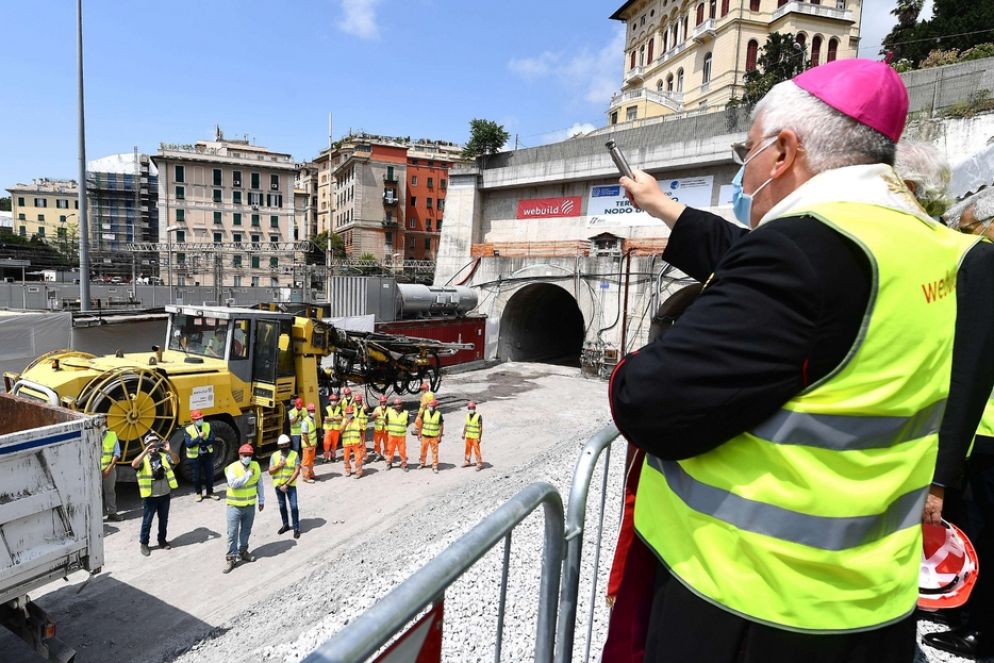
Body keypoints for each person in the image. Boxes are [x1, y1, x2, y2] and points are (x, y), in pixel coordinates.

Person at [606, 59, 983, 663]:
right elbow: (781, 280)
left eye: (747, 151)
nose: (743, 168)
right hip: (872, 598)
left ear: (782, 152)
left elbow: (649, 402)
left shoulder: (804, 251)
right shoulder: (940, 248)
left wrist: (638, 362)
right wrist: (664, 207)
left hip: (751, 601)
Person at [919, 188, 994, 659]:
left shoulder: (985, 271)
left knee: (985, 532)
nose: (964, 239)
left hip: (988, 431)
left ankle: (981, 629)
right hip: (978, 432)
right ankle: (968, 616)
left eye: (969, 229)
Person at [132, 433, 179, 557]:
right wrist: (145, 452)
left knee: (163, 520)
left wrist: (169, 450)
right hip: (150, 496)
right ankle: (144, 543)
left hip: (164, 495)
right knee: (147, 521)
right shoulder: (144, 459)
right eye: (150, 444)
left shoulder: (164, 456)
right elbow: (134, 464)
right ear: (146, 446)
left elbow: (176, 460)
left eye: (155, 444)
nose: (153, 447)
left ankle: (162, 540)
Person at [224, 444, 265, 574]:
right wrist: (247, 475)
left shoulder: (256, 466)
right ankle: (231, 557)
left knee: (246, 531)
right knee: (232, 533)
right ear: (239, 455)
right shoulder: (232, 468)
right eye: (244, 455)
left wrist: (261, 500)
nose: (247, 457)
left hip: (250, 506)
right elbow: (233, 484)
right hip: (234, 506)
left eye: (249, 455)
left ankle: (243, 552)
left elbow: (259, 484)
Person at [268, 434, 300, 540]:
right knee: (282, 506)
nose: (284, 446)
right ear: (279, 446)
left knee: (294, 507)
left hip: (290, 485)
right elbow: (270, 471)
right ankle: (285, 525)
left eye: (286, 444)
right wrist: (279, 465)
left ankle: (296, 528)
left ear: (289, 444)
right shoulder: (274, 456)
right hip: (278, 486)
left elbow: (297, 471)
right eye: (282, 445)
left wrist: (287, 484)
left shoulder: (294, 454)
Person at [184, 410, 218, 502]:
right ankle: (198, 493)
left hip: (207, 454)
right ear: (193, 420)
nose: (200, 420)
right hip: (195, 457)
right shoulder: (188, 430)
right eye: (197, 419)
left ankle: (210, 492)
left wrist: (201, 441)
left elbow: (212, 439)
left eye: (201, 418)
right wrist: (199, 437)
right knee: (196, 476)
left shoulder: (207, 425)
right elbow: (189, 444)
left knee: (210, 475)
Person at [100, 428, 122, 521]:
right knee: (94, 494)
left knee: (110, 491)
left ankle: (112, 513)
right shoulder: (90, 435)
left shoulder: (112, 436)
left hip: (108, 469)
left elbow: (117, 453)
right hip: (93, 470)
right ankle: (95, 516)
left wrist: (109, 468)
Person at [385, 397, 410, 472]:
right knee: (390, 450)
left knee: (402, 450)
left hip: (401, 436)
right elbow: (386, 421)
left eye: (399, 404)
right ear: (394, 405)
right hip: (392, 435)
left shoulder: (406, 413)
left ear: (401, 404)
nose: (398, 406)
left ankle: (404, 464)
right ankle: (389, 463)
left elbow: (407, 423)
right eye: (396, 404)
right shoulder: (389, 412)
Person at [418, 399, 443, 474]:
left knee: (434, 452)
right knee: (423, 450)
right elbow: (421, 423)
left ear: (435, 406)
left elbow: (441, 426)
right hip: (425, 435)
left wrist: (440, 436)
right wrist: (419, 433)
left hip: (434, 436)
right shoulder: (425, 412)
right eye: (429, 405)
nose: (430, 407)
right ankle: (422, 463)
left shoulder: (439, 414)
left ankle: (434, 466)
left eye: (432, 406)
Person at [340, 405, 364, 479]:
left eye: (351, 413)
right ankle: (348, 470)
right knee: (346, 458)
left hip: (356, 443)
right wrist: (346, 423)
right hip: (346, 443)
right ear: (346, 414)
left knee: (358, 458)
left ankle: (358, 472)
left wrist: (361, 441)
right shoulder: (344, 421)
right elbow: (340, 431)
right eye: (348, 413)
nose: (349, 415)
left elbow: (361, 431)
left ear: (353, 413)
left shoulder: (357, 420)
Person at [462, 401, 484, 471]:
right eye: (470, 408)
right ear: (468, 408)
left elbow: (480, 428)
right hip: (468, 436)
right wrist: (463, 433)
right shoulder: (467, 415)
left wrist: (479, 438)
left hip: (475, 437)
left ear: (474, 408)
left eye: (472, 408)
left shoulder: (478, 416)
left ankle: (479, 463)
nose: (471, 409)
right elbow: (466, 425)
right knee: (467, 450)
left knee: (477, 450)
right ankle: (467, 461)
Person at [299, 403, 318, 483]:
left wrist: (315, 443)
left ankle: (311, 474)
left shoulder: (312, 419)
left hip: (312, 445)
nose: (312, 412)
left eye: (313, 410)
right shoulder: (305, 422)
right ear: (308, 411)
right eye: (311, 411)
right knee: (306, 462)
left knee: (311, 461)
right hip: (307, 446)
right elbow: (305, 435)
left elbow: (313, 433)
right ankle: (306, 477)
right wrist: (309, 445)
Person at [323, 393, 343, 463]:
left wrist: (331, 418)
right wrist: (335, 418)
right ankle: (326, 458)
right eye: (332, 400)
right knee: (326, 443)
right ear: (330, 401)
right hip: (328, 429)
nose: (333, 402)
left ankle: (333, 457)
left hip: (336, 430)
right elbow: (326, 419)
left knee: (334, 445)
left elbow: (341, 418)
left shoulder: (339, 409)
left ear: (337, 401)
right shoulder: (326, 408)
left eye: (335, 400)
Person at [370, 395, 389, 462]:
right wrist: (374, 415)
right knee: (376, 444)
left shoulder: (389, 410)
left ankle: (386, 455)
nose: (383, 403)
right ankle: (378, 455)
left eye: (384, 402)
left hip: (386, 430)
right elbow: (371, 418)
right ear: (380, 403)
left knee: (386, 444)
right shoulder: (377, 409)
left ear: (386, 402)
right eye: (382, 402)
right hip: (378, 430)